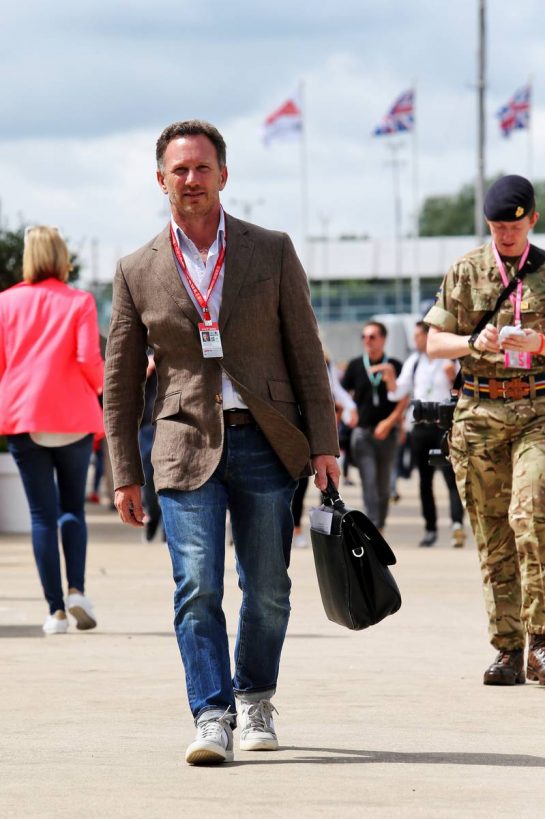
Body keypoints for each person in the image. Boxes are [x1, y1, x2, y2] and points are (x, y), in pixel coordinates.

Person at [103, 119, 339, 765]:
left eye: (202, 167)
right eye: (178, 170)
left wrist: (323, 441)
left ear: (223, 175)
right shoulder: (135, 270)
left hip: (266, 441)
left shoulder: (270, 249)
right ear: (161, 181)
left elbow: (304, 352)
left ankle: (255, 696)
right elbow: (120, 381)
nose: (191, 179)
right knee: (196, 587)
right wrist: (124, 470)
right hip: (183, 446)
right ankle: (211, 714)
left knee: (266, 587)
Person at [425, 174, 545, 687]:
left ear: (532, 220)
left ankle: (541, 641)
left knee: (530, 515)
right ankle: (508, 649)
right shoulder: (466, 270)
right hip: (477, 417)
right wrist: (474, 341)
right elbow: (434, 344)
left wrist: (538, 344)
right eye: (497, 228)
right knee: (492, 536)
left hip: (537, 410)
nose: (505, 236)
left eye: (513, 227)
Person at [0, 226, 103, 634]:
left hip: (25, 416)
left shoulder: (6, 303)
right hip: (73, 417)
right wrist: (98, 388)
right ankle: (77, 589)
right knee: (71, 508)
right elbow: (87, 358)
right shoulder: (80, 301)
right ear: (63, 258)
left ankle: (55, 611)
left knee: (41, 515)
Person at [381, 321, 465, 548]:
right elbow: (397, 392)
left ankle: (457, 524)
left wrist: (451, 378)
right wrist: (390, 379)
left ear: (429, 336)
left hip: (444, 425)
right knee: (424, 482)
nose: (414, 340)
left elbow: (463, 392)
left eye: (418, 335)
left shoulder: (450, 359)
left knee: (451, 478)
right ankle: (430, 529)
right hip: (420, 427)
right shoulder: (414, 361)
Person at [341, 321, 407, 531]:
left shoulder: (395, 365)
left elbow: (403, 398)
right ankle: (374, 526)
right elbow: (342, 396)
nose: (367, 341)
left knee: (384, 485)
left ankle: (381, 524)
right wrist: (348, 412)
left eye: (372, 336)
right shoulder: (355, 366)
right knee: (368, 481)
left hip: (388, 433)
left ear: (383, 339)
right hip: (362, 433)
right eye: (364, 337)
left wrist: (391, 423)